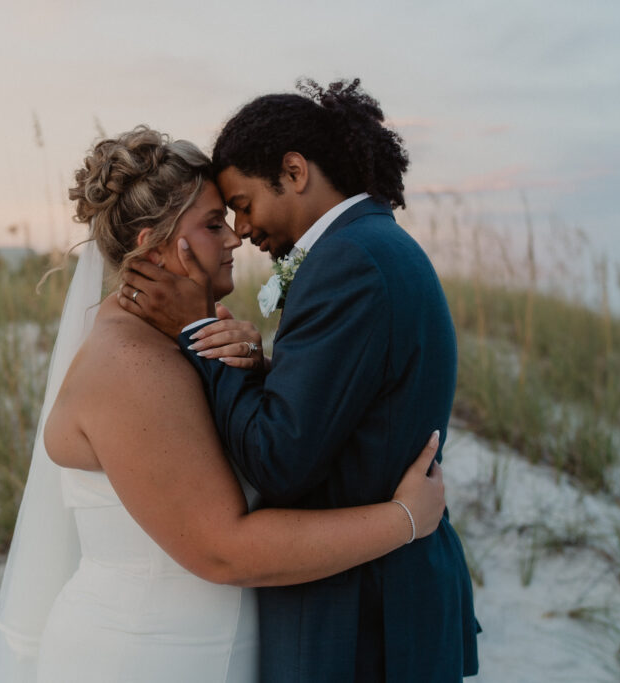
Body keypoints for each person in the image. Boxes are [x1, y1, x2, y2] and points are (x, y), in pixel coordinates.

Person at [0, 126, 448, 683]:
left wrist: (252, 368)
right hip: (147, 657)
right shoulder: (130, 365)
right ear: (154, 247)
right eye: (211, 225)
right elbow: (223, 550)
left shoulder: (181, 341)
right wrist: (405, 520)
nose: (234, 239)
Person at [121, 80, 481, 682]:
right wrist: (261, 368)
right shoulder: (373, 246)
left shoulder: (347, 263)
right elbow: (347, 405)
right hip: (386, 604)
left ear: (293, 171)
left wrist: (201, 337)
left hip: (356, 620)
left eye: (241, 202)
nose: (240, 229)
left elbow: (278, 458)